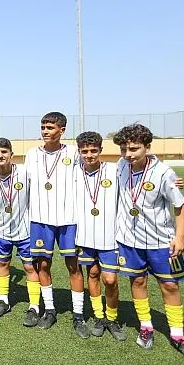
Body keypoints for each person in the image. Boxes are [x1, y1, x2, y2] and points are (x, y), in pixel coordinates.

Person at [112, 124, 184, 361]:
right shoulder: (121, 166)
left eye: (134, 148)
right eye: (124, 149)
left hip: (160, 241)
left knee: (170, 286)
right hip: (129, 239)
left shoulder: (163, 172)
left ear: (147, 147)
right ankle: (145, 326)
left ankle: (178, 334)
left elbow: (180, 205)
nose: (128, 154)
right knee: (137, 280)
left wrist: (179, 237)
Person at [24, 111, 87, 334]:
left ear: (62, 130)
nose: (45, 131)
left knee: (74, 266)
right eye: (43, 127)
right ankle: (49, 309)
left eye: (50, 128)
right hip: (40, 219)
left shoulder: (73, 153)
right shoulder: (32, 154)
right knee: (42, 264)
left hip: (69, 219)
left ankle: (78, 315)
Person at [71, 132, 127, 341]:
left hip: (109, 236)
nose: (89, 155)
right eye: (84, 151)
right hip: (84, 236)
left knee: (110, 280)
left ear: (101, 150)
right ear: (79, 152)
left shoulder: (114, 170)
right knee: (92, 274)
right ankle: (98, 316)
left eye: (93, 150)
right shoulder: (74, 172)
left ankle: (112, 318)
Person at [0, 138, 40, 325]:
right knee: (2, 265)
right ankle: (4, 301)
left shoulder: (25, 173)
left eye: (4, 152)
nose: (0, 155)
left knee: (30, 267)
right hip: (1, 230)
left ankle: (34, 306)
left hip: (25, 230)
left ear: (11, 154)